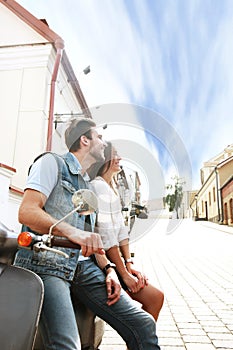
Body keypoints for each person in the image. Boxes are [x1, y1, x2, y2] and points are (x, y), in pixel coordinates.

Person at [14, 118, 161, 350]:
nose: (104, 143)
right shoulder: (52, 163)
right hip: (48, 264)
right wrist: (73, 233)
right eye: (99, 137)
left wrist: (109, 270)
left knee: (143, 324)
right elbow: (27, 211)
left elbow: (91, 238)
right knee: (67, 345)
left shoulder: (87, 185)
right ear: (84, 140)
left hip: (83, 268)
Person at [89, 142, 164, 321]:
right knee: (154, 298)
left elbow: (122, 232)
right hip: (103, 261)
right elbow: (107, 238)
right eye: (115, 154)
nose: (119, 158)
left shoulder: (111, 189)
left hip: (117, 260)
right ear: (104, 159)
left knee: (155, 298)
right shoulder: (98, 187)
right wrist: (123, 273)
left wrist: (129, 264)